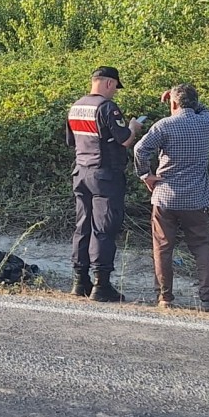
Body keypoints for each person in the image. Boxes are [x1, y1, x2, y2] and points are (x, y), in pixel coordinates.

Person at [133, 83, 209, 311]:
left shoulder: (163, 126)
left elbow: (140, 150)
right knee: (201, 245)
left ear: (172, 103)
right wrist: (183, 100)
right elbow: (202, 108)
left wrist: (146, 175)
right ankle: (207, 296)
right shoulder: (205, 121)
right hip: (196, 196)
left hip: (165, 195)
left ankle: (165, 297)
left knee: (163, 247)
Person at [65, 66, 143, 302]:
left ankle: (80, 281)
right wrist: (134, 127)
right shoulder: (107, 107)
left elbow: (71, 141)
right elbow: (125, 140)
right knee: (104, 229)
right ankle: (102, 284)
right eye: (115, 88)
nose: (115, 93)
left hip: (80, 172)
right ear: (109, 83)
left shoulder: (76, 106)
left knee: (82, 226)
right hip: (105, 176)